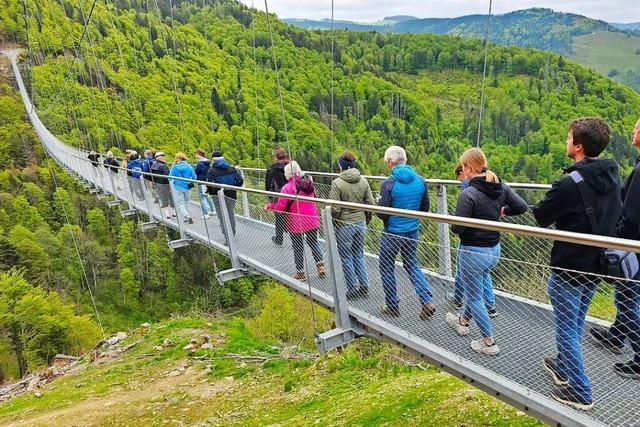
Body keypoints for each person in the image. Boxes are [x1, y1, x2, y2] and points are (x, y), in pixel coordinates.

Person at [533, 117, 622, 410]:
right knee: (576, 321)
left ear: (579, 146)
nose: (566, 142)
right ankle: (561, 366)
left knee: (567, 329)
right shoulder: (612, 176)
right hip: (596, 266)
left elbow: (541, 215)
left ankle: (581, 392)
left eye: (569, 137)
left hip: (569, 267)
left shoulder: (569, 183)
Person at [446, 148, 528, 356]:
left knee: (474, 297)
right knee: (476, 289)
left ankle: (489, 343)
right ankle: (463, 321)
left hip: (473, 251)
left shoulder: (469, 194)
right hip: (494, 250)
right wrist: (502, 211)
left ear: (468, 168)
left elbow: (457, 228)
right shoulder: (501, 186)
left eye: (463, 167)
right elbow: (522, 207)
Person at [589, 118, 640, 380]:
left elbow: (631, 215)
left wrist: (617, 241)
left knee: (628, 298)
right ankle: (616, 336)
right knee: (631, 294)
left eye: (636, 128)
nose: (633, 132)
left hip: (633, 245)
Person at [377, 145, 434, 320]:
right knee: (412, 264)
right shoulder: (420, 181)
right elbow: (425, 208)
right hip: (412, 231)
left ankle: (393, 306)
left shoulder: (388, 183)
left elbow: (382, 213)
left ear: (389, 162)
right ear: (405, 160)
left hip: (393, 232)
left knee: (386, 267)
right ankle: (426, 301)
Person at [446, 163, 497, 316]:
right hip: (489, 239)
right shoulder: (490, 180)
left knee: (462, 268)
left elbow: (462, 219)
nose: (460, 181)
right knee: (483, 272)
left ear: (463, 171)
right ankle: (490, 304)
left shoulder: (468, 185)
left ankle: (458, 298)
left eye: (459, 177)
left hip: (472, 239)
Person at [265, 161, 324, 281]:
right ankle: (321, 266)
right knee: (313, 242)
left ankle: (301, 273)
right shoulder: (309, 184)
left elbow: (281, 207)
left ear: (287, 174)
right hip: (311, 219)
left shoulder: (286, 188)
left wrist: (269, 206)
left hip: (295, 222)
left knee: (297, 246)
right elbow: (315, 198)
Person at [328, 151, 375, 299]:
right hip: (361, 223)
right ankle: (364, 286)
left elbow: (334, 208)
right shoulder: (363, 180)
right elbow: (371, 204)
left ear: (341, 165)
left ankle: (352, 290)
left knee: (347, 258)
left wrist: (336, 221)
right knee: (358, 255)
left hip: (344, 225)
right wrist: (365, 217)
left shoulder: (337, 183)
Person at [206, 151, 244, 244]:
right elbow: (240, 181)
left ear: (213, 160)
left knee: (222, 216)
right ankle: (232, 233)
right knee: (230, 214)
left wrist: (213, 192)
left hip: (218, 196)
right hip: (231, 194)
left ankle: (227, 237)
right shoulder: (232, 169)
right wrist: (233, 187)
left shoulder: (211, 170)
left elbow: (210, 185)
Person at [265, 147, 290, 246]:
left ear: (275, 157)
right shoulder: (291, 166)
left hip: (278, 195)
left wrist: (270, 198)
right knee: (291, 215)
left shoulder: (271, 168)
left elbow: (268, 185)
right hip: (291, 195)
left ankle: (279, 239)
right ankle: (296, 240)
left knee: (279, 218)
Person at [169, 152, 196, 224]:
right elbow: (194, 177)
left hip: (177, 187)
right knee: (187, 201)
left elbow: (170, 177)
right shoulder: (189, 166)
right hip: (187, 187)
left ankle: (187, 216)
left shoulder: (174, 167)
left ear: (177, 158)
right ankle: (187, 216)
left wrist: (174, 181)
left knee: (180, 203)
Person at [150, 151, 174, 216]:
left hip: (158, 185)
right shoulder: (163, 165)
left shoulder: (153, 165)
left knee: (163, 199)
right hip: (165, 185)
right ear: (161, 157)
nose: (165, 158)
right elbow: (167, 176)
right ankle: (174, 212)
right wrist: (170, 186)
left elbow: (152, 175)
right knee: (171, 198)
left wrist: (152, 182)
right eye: (164, 157)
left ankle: (167, 214)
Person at [194, 149, 215, 219]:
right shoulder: (207, 162)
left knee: (202, 197)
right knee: (207, 196)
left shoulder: (200, 163)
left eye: (196, 154)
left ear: (199, 155)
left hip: (201, 181)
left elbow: (195, 172)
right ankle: (213, 210)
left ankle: (206, 213)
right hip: (207, 181)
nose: (195, 156)